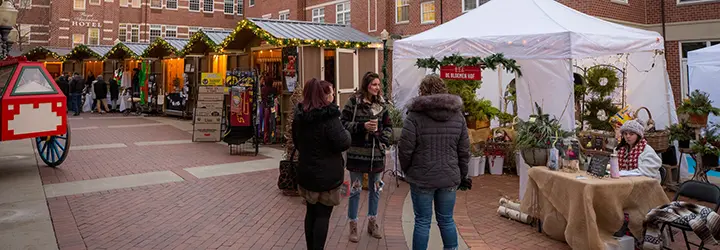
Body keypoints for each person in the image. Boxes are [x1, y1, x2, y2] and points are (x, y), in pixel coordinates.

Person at [398, 75, 471, 250]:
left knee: (422, 221)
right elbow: (464, 150)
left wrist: (407, 170)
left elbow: (405, 149)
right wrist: (462, 174)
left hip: (421, 177)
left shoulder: (415, 116)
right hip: (449, 177)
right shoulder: (457, 116)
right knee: (446, 219)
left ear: (422, 91)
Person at [292, 78, 351, 250]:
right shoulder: (329, 117)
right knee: (323, 215)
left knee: (311, 212)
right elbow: (342, 142)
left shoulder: (300, 117)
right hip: (328, 175)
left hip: (307, 172)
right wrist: (346, 132)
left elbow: (297, 142)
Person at [340, 71, 392, 242]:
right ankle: (353, 225)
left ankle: (372, 222)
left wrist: (381, 136)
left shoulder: (382, 105)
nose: (377, 88)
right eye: (374, 84)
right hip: (357, 154)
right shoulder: (354, 102)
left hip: (376, 155)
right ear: (366, 85)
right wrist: (362, 127)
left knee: (376, 190)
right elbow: (342, 123)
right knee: (355, 190)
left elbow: (388, 126)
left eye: (379, 84)